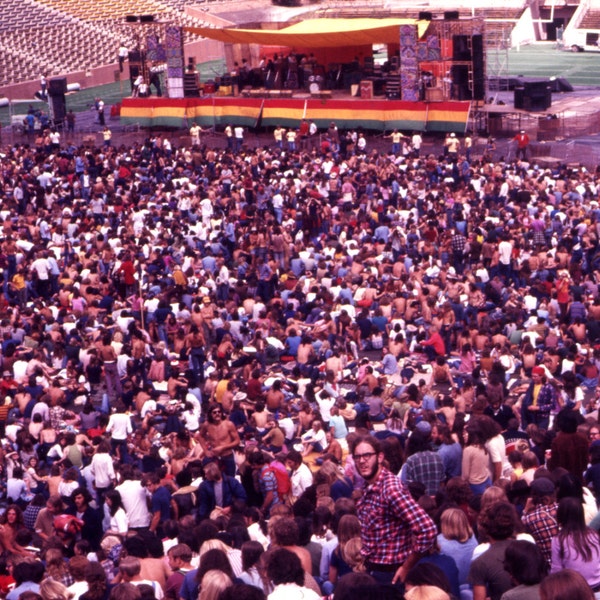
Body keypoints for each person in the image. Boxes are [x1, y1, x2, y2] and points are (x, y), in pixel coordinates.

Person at [352, 435, 436, 588]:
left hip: (389, 575)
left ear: (379, 457)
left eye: (367, 455)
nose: (362, 461)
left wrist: (406, 566)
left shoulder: (391, 489)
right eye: (357, 457)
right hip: (374, 570)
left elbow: (427, 529)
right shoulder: (370, 485)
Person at [550, 497, 600, 589]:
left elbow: (556, 572)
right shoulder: (594, 535)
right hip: (598, 584)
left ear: (560, 516)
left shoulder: (558, 540)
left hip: (576, 589)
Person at [198, 403, 241, 477]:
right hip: (214, 456)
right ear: (210, 414)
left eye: (219, 412)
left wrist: (223, 447)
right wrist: (206, 451)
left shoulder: (229, 424)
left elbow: (237, 441)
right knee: (212, 477)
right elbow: (200, 436)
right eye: (214, 412)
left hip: (227, 456)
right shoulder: (207, 425)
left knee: (230, 479)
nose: (217, 414)